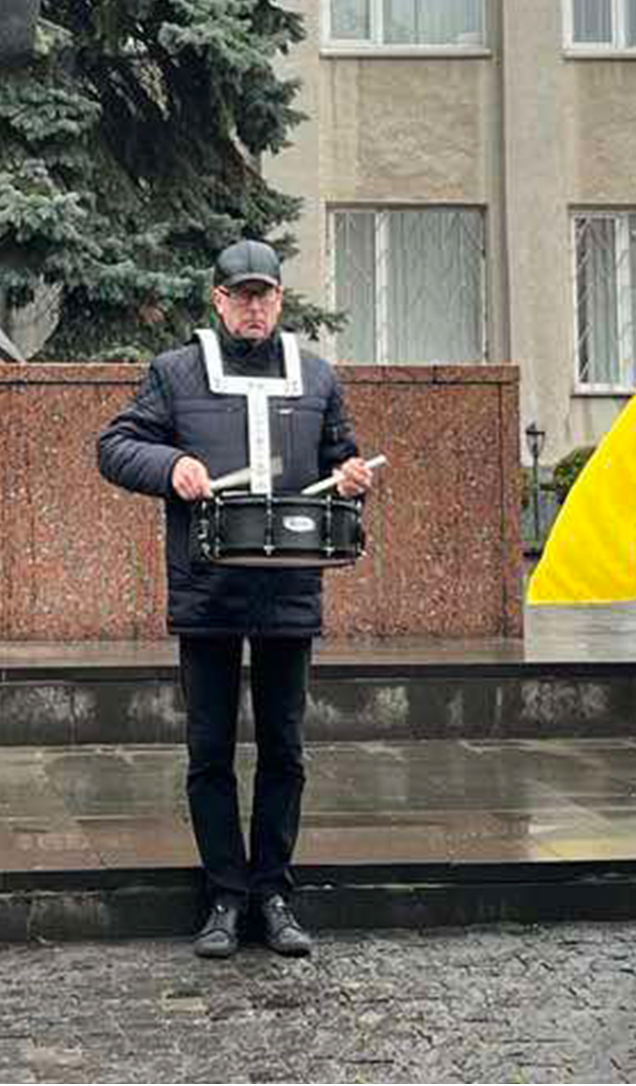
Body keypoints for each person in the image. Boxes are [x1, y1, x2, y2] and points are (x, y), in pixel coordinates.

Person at [97, 239, 380, 962]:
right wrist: (172, 465)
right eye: (241, 295)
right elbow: (115, 446)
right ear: (218, 299)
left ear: (279, 300)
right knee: (210, 749)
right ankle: (224, 895)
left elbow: (339, 459)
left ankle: (274, 894)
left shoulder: (317, 376)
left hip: (289, 587)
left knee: (284, 747)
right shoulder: (174, 371)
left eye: (265, 295)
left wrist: (351, 478)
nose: (254, 307)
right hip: (209, 587)